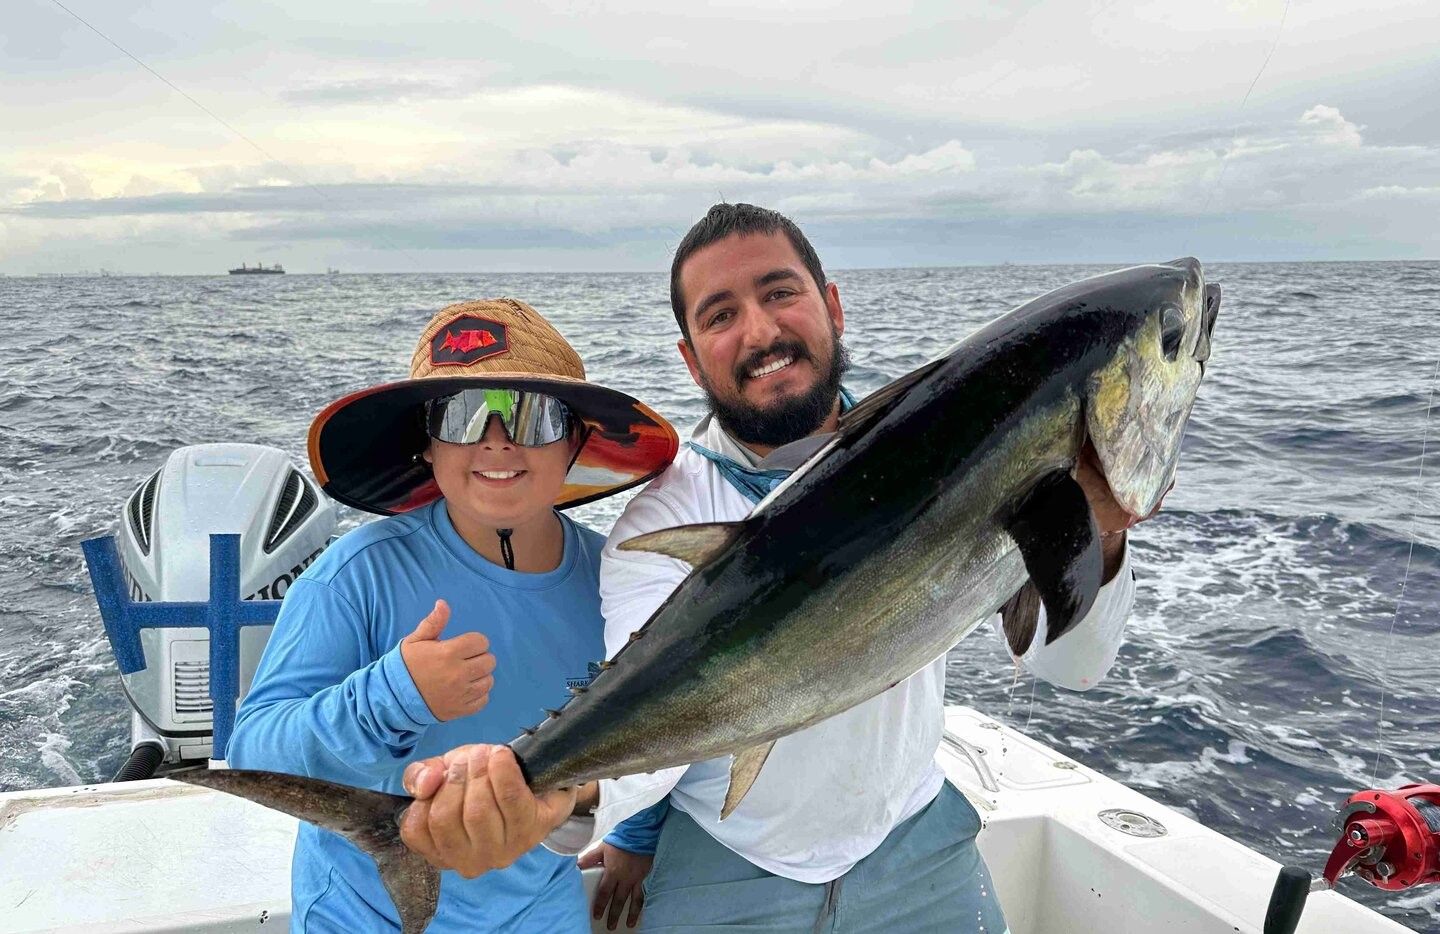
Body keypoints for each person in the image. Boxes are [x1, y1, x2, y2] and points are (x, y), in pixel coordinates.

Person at [400, 205, 1154, 931]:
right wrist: (557, 796)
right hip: (730, 857)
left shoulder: (950, 444)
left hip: (914, 839)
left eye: (780, 293)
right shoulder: (662, 521)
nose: (760, 331)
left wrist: (1104, 535)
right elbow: (654, 717)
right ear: (691, 360)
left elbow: (1072, 672)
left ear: (832, 306)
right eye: (720, 315)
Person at [226, 298, 679, 932]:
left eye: (531, 414)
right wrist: (391, 695)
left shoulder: (622, 583)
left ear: (575, 443)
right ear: (428, 448)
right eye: (462, 415)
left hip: (539, 908)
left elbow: (654, 723)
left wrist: (638, 832)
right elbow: (255, 751)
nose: (496, 438)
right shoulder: (354, 576)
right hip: (364, 913)